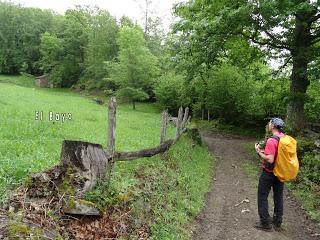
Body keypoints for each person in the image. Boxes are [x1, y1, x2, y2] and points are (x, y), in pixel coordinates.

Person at [254, 117, 285, 231]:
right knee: (278, 197)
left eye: (270, 123)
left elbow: (270, 159)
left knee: (262, 196)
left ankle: (265, 223)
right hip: (280, 173)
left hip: (269, 173)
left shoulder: (272, 140)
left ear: (273, 126)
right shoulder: (284, 138)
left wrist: (258, 152)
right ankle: (277, 222)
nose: (268, 124)